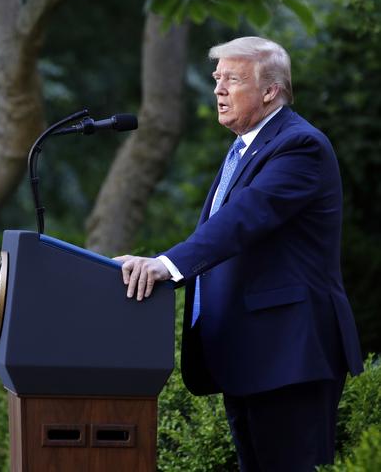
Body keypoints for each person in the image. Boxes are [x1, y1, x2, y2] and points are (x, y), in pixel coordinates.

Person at [116, 36, 363, 471]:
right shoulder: (246, 148)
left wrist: (165, 266)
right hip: (252, 352)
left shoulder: (300, 145)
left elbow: (243, 220)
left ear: (271, 90)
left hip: (289, 352)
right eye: (216, 79)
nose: (218, 90)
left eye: (232, 79)